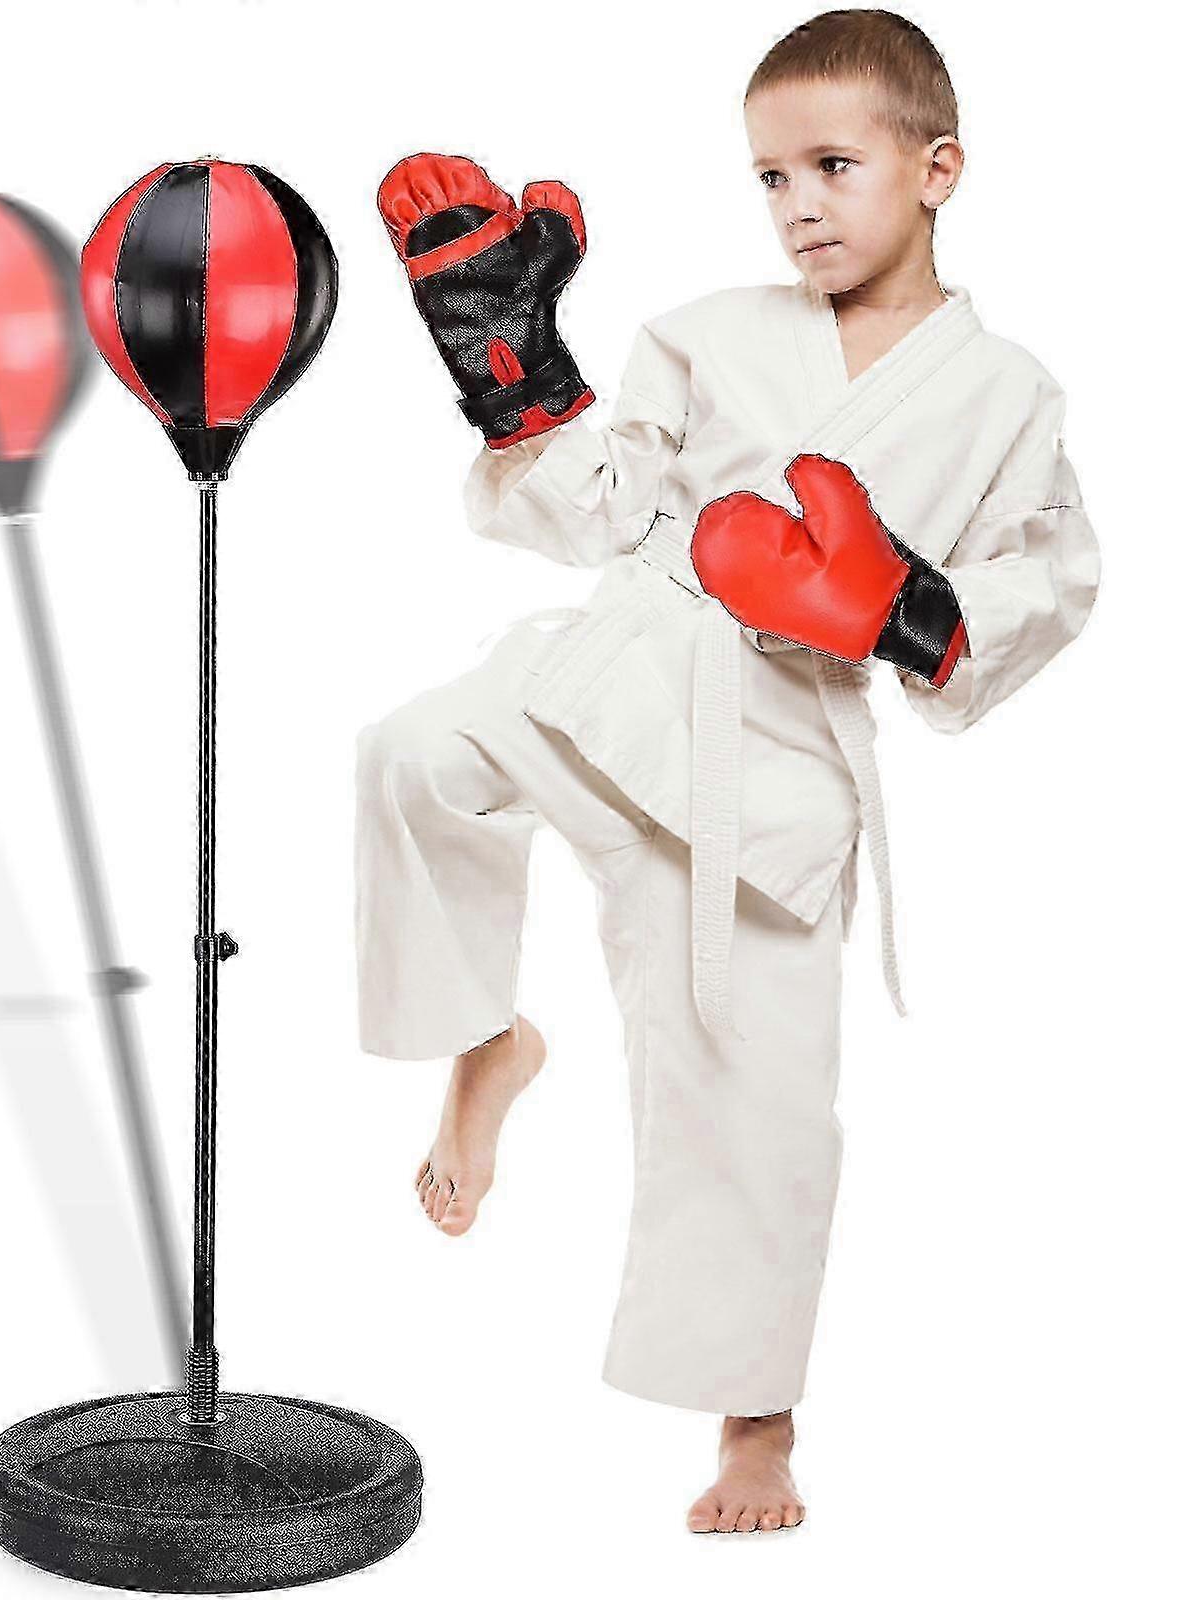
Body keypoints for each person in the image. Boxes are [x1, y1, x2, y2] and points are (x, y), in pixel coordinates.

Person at [355, 8, 1101, 1534]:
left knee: (755, 1105)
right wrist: (517, 377)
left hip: (774, 771)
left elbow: (1052, 578)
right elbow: (603, 510)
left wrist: (907, 609)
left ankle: (756, 1430)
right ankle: (487, 1039)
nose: (798, 205)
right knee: (414, 754)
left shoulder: (1008, 394)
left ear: (938, 168)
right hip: (625, 669)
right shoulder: (707, 330)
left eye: (833, 165)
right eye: (770, 177)